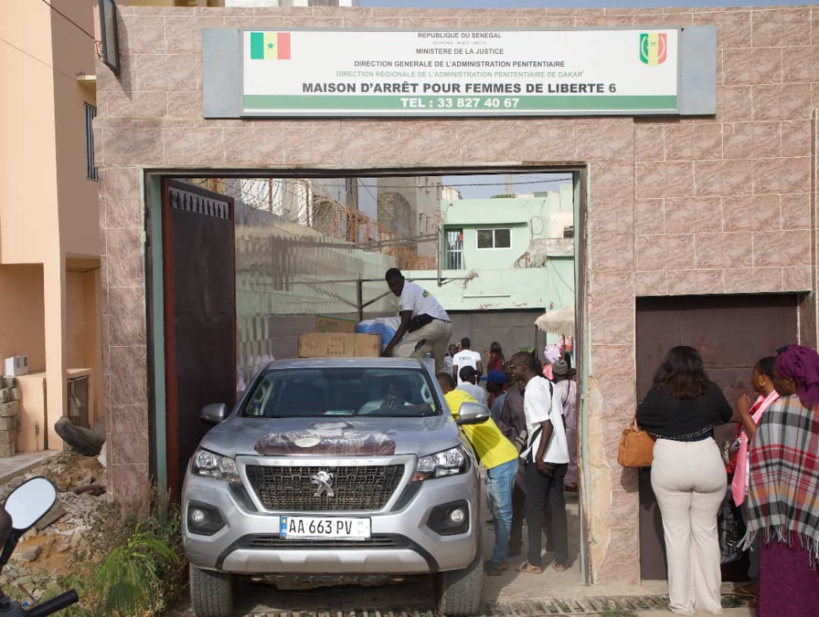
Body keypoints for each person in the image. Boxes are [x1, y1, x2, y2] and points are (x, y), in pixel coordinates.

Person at [636, 346, 732, 616]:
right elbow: (725, 415)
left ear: (667, 366)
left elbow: (641, 418)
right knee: (706, 533)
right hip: (707, 459)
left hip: (670, 460)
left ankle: (682, 604)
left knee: (677, 535)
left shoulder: (659, 393)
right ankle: (711, 603)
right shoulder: (709, 390)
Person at [743, 344, 819, 616]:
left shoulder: (777, 410)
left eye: (779, 376)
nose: (777, 382)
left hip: (780, 518)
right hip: (813, 518)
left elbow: (762, 461)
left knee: (784, 578)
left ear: (791, 378)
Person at [437, 372, 519, 576]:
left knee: (501, 512)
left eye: (435, 390)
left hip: (501, 459)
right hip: (497, 459)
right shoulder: (462, 397)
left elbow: (431, 411)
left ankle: (500, 559)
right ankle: (505, 552)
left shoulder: (451, 399)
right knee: (498, 510)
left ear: (444, 389)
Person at [510, 351, 570, 574]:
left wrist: (538, 456)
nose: (512, 371)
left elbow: (547, 426)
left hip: (543, 457)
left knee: (534, 509)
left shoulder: (533, 389)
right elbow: (558, 419)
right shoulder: (549, 384)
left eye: (513, 367)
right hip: (560, 455)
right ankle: (562, 559)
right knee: (557, 507)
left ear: (524, 367)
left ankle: (534, 561)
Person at [726, 356, 778, 587]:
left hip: (760, 483)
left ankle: (761, 583)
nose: (751, 378)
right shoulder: (762, 401)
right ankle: (758, 581)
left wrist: (744, 414)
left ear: (763, 377)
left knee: (759, 537)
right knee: (753, 534)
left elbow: (760, 439)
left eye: (755, 373)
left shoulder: (776, 404)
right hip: (749, 481)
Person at [382, 268, 453, 373]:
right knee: (439, 368)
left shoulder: (407, 291)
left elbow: (405, 324)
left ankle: (415, 379)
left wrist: (388, 348)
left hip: (435, 327)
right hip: (447, 327)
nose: (395, 288)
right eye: (392, 286)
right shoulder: (415, 288)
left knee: (398, 352)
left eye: (397, 284)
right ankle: (443, 388)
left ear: (403, 279)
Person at [552, 358, 578, 492]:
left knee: (566, 456)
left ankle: (568, 483)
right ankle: (575, 481)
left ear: (553, 372)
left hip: (564, 428)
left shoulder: (556, 389)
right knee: (575, 455)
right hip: (577, 427)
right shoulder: (576, 385)